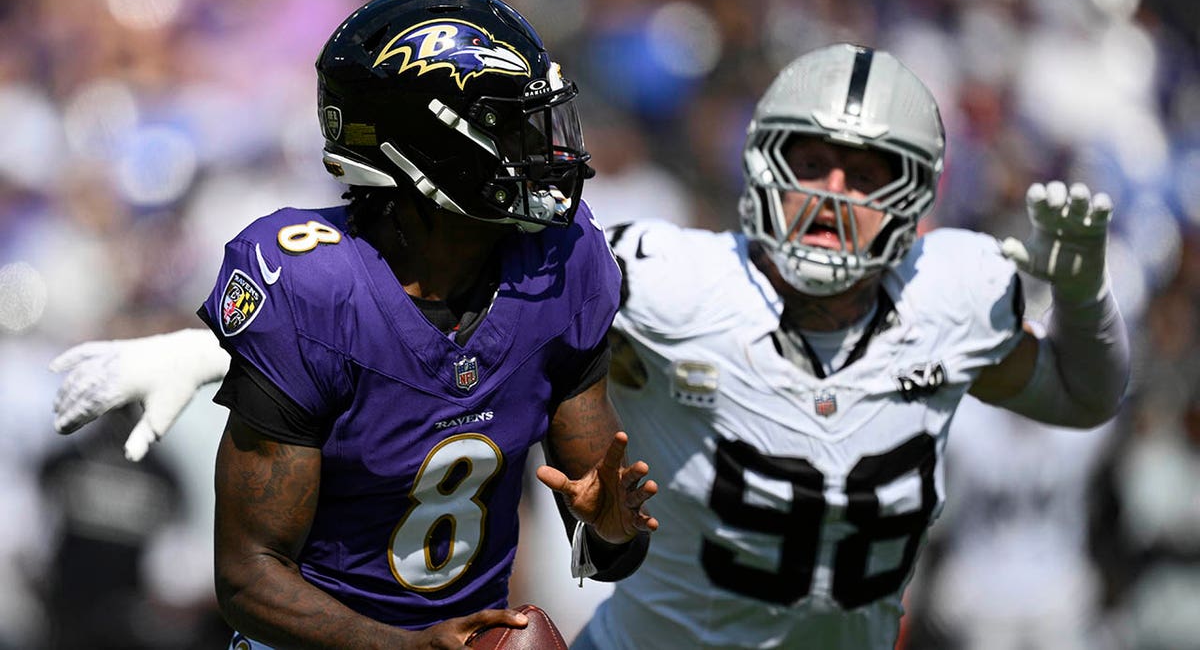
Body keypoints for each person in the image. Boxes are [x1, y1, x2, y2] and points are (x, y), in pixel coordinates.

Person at [51, 43, 1129, 649]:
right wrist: (213, 346)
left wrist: (1081, 300)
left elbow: (1085, 399)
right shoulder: (659, 276)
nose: (829, 202)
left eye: (867, 176)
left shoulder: (958, 290)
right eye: (810, 162)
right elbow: (426, 285)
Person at [55, 0, 660, 650]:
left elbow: (604, 543)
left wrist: (609, 528)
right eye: (509, 125)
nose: (543, 149)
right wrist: (407, 647)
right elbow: (249, 579)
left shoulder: (561, 263)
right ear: (428, 146)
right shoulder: (315, 286)